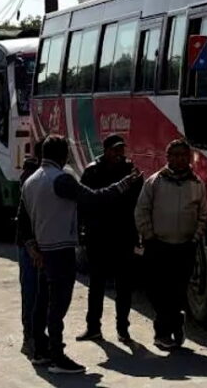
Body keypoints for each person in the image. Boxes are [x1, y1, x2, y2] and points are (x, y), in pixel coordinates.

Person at [23, 135, 135, 375]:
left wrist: (32, 245)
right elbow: (94, 199)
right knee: (58, 305)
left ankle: (40, 349)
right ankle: (57, 355)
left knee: (42, 301)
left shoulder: (31, 180)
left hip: (43, 247)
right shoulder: (61, 179)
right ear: (63, 155)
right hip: (60, 248)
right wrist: (123, 185)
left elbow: (25, 220)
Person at [134, 139, 207, 351]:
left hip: (185, 246)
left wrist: (195, 237)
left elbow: (203, 213)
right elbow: (141, 210)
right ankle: (171, 324)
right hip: (158, 245)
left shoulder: (196, 183)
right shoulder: (155, 182)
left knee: (177, 290)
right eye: (174, 155)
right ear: (167, 158)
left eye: (183, 155)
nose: (179, 159)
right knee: (157, 291)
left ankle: (165, 332)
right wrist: (149, 236)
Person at [76, 134, 144, 344]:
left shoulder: (130, 170)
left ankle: (123, 329)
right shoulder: (92, 170)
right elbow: (84, 202)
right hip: (98, 235)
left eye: (121, 150)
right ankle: (93, 328)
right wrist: (81, 232)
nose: (119, 154)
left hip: (124, 234)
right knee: (96, 284)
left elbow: (139, 202)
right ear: (105, 150)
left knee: (124, 286)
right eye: (115, 150)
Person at [16, 141, 48, 365]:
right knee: (32, 293)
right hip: (31, 246)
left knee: (43, 294)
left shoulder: (51, 176)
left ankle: (38, 336)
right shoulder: (32, 177)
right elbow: (24, 220)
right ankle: (30, 338)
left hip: (45, 243)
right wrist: (30, 245)